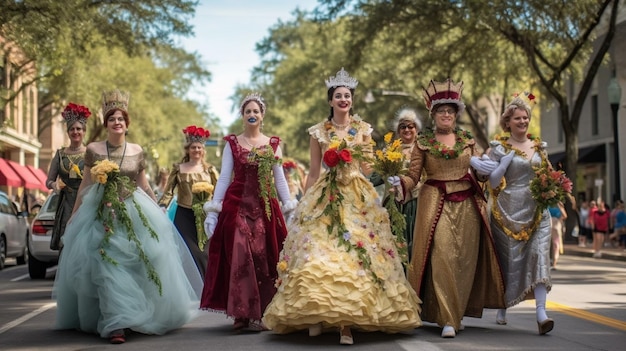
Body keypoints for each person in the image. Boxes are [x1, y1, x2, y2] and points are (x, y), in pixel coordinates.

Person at [262, 68, 421, 345]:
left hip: (357, 195)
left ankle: (346, 323)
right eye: (338, 96)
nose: (343, 99)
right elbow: (313, 171)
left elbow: (369, 166)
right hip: (326, 193)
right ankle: (314, 315)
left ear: (352, 100)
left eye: (347, 95)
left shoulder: (363, 129)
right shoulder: (318, 132)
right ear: (330, 101)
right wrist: (304, 204)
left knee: (354, 256)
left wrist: (390, 170)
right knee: (319, 253)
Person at [52, 89, 202, 344]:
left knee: (141, 262)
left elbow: (143, 185)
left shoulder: (136, 150)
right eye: (112, 118)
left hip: (134, 211)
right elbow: (86, 184)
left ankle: (137, 314)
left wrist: (160, 211)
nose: (117, 122)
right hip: (101, 214)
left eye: (121, 118)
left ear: (126, 123)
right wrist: (73, 215)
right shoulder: (93, 149)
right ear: (106, 123)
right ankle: (116, 323)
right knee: (107, 265)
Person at [397, 78, 505, 338]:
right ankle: (447, 318)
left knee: (464, 260)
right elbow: (413, 175)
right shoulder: (423, 143)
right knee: (442, 255)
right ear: (433, 115)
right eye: (441, 111)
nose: (446, 115)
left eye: (450, 111)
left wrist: (486, 169)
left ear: (456, 115)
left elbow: (479, 173)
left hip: (468, 203)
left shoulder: (468, 141)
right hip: (435, 201)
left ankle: (455, 312)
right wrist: (399, 181)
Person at [201, 93, 297, 331]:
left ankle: (264, 311)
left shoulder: (273, 144)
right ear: (242, 117)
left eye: (256, 111)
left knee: (264, 257)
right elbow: (224, 177)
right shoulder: (232, 143)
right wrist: (214, 209)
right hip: (237, 206)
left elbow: (280, 180)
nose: (252, 115)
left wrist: (290, 208)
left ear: (262, 116)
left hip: (265, 207)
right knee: (241, 253)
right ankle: (241, 313)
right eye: (248, 112)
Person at [475, 93, 556, 335]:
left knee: (540, 256)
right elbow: (490, 180)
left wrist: (554, 187)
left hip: (537, 211)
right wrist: (501, 165)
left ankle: (541, 314)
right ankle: (503, 304)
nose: (523, 121)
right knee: (508, 263)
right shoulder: (498, 148)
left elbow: (548, 175)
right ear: (507, 122)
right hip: (506, 212)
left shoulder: (540, 147)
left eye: (526, 117)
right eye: (518, 118)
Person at [158, 126, 219, 277]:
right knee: (189, 253)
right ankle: (191, 290)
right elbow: (168, 192)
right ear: (187, 149)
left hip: (205, 218)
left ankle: (206, 289)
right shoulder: (178, 168)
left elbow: (219, 192)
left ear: (203, 150)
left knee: (204, 253)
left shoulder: (210, 170)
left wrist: (218, 210)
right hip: (184, 216)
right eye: (193, 147)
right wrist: (162, 206)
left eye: (199, 147)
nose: (196, 150)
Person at [46, 103, 89, 250]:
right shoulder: (60, 154)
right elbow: (49, 181)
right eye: (72, 129)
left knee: (84, 244)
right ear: (68, 132)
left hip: (86, 203)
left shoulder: (91, 153)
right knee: (67, 244)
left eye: (79, 129)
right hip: (66, 204)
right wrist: (55, 186)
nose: (75, 132)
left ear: (84, 131)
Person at [548, 202, 567, 269]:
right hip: (548, 227)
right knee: (547, 245)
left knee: (555, 245)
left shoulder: (559, 205)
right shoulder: (547, 204)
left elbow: (564, 216)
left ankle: (554, 263)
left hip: (556, 227)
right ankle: (549, 260)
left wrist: (559, 205)